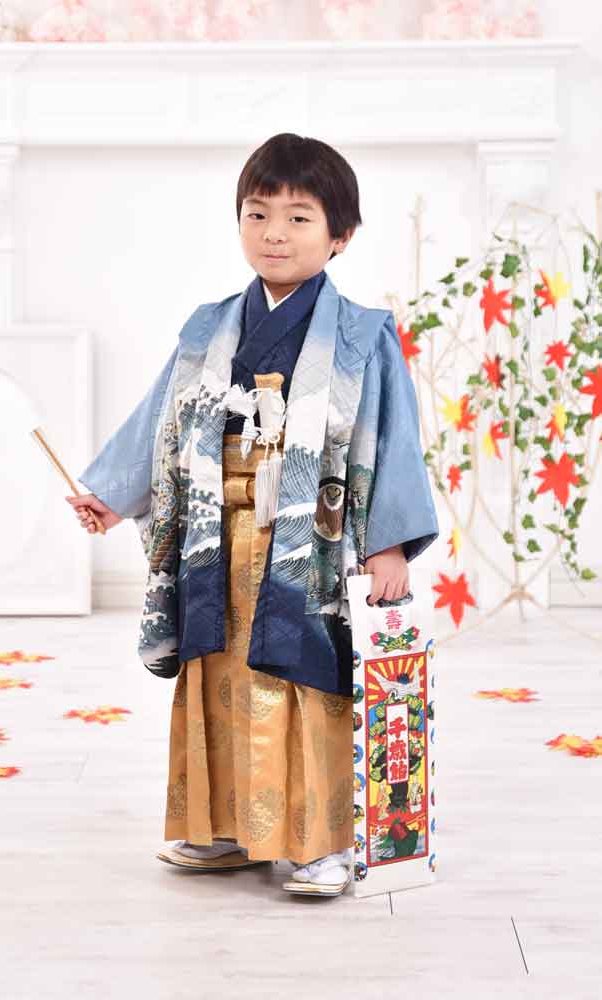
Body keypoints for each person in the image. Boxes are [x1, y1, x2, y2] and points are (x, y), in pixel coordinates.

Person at [66, 133, 439, 897]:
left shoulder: (362, 334)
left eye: (299, 218)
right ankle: (224, 826)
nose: (274, 233)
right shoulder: (208, 327)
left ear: (340, 236)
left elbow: (393, 438)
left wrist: (388, 544)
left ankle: (319, 840)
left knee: (305, 673)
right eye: (258, 213)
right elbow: (161, 417)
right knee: (217, 669)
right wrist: (113, 492)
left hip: (310, 539)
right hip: (216, 531)